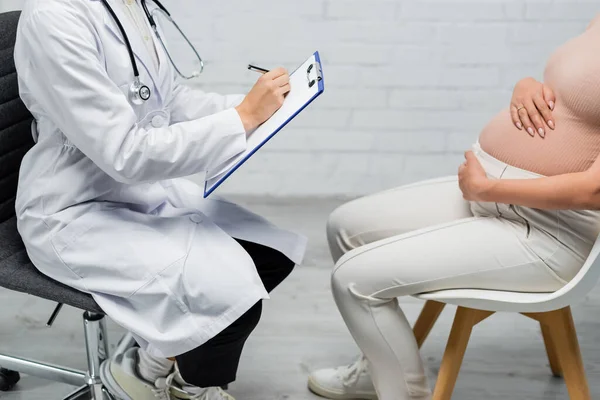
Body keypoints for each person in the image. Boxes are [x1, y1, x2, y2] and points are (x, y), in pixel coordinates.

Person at [14, 0, 306, 399]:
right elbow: (125, 153)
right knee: (229, 296)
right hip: (72, 210)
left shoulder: (125, 4)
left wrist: (249, 108)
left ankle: (147, 367)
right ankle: (183, 387)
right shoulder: (55, 17)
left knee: (269, 255)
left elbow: (164, 100)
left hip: (131, 193)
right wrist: (241, 120)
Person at [308, 14, 600, 400]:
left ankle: (404, 394)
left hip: (547, 233)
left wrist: (489, 189)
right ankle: (380, 369)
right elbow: (578, 92)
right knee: (345, 225)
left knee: (353, 281)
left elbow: (595, 191)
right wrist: (526, 86)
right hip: (490, 198)